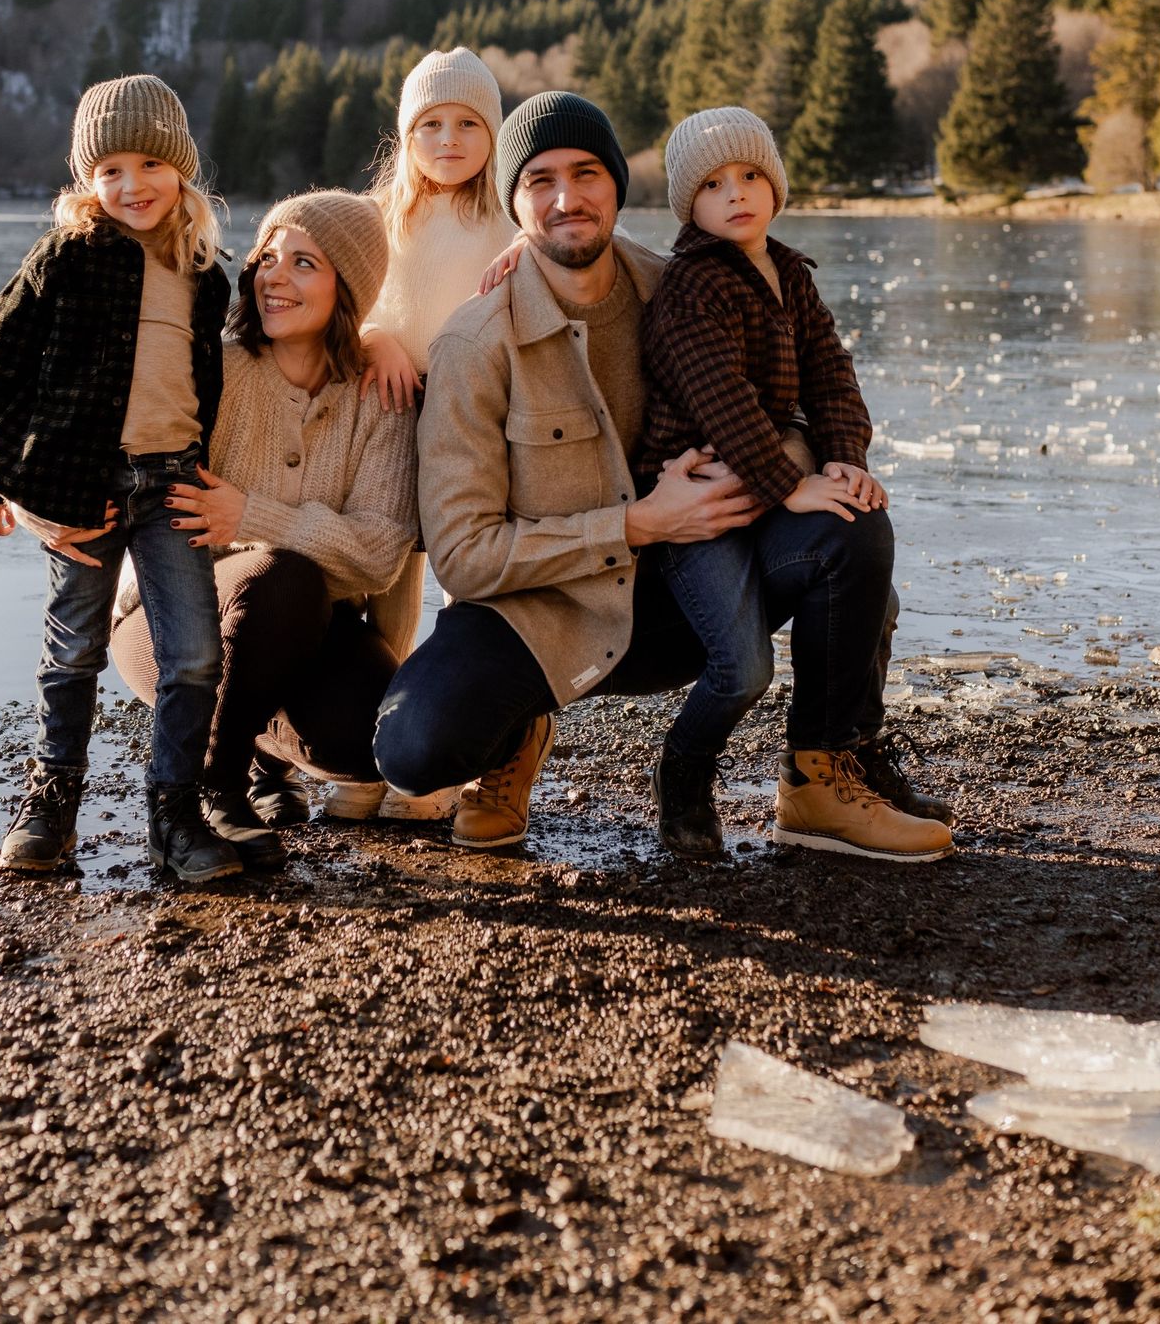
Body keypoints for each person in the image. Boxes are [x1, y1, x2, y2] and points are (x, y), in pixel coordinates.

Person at [373, 90, 779, 851]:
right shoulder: (474, 344)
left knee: (841, 545)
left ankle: (826, 770)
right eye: (540, 181)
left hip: (678, 592)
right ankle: (513, 739)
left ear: (618, 186)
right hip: (541, 608)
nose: (567, 199)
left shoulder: (680, 291)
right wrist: (637, 523)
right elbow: (461, 555)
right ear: (514, 204)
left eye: (587, 174)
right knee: (414, 747)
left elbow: (792, 404)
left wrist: (770, 472)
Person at [637, 107, 952, 862]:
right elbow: (721, 400)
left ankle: (838, 761)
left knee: (873, 586)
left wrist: (842, 459)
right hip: (702, 512)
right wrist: (790, 484)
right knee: (742, 665)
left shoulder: (791, 276)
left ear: (774, 184)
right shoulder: (690, 289)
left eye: (750, 176)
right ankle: (683, 770)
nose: (736, 194)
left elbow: (833, 378)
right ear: (691, 205)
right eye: (713, 184)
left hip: (767, 498)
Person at [0, 75, 238, 889]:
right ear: (87, 181)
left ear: (181, 171)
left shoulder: (204, 274)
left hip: (173, 485)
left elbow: (210, 386)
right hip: (82, 490)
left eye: (150, 163)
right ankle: (52, 804)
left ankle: (174, 817)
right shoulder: (64, 260)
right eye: (109, 168)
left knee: (193, 656)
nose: (131, 184)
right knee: (73, 646)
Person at [109, 189, 418, 869]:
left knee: (381, 740)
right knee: (285, 576)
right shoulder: (215, 367)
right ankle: (212, 788)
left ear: (350, 288)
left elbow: (380, 552)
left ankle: (260, 755)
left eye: (304, 262)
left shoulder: (380, 395)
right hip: (168, 621)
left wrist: (250, 515)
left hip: (303, 626)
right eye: (267, 257)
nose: (274, 276)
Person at [319, 45, 513, 822]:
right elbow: (342, 304)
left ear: (495, 134)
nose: (449, 139)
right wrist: (375, 339)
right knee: (385, 589)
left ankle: (435, 762)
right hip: (389, 414)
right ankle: (369, 755)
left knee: (465, 585)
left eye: (468, 122)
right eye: (430, 124)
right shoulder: (379, 217)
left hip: (474, 425)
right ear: (406, 137)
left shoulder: (508, 217)